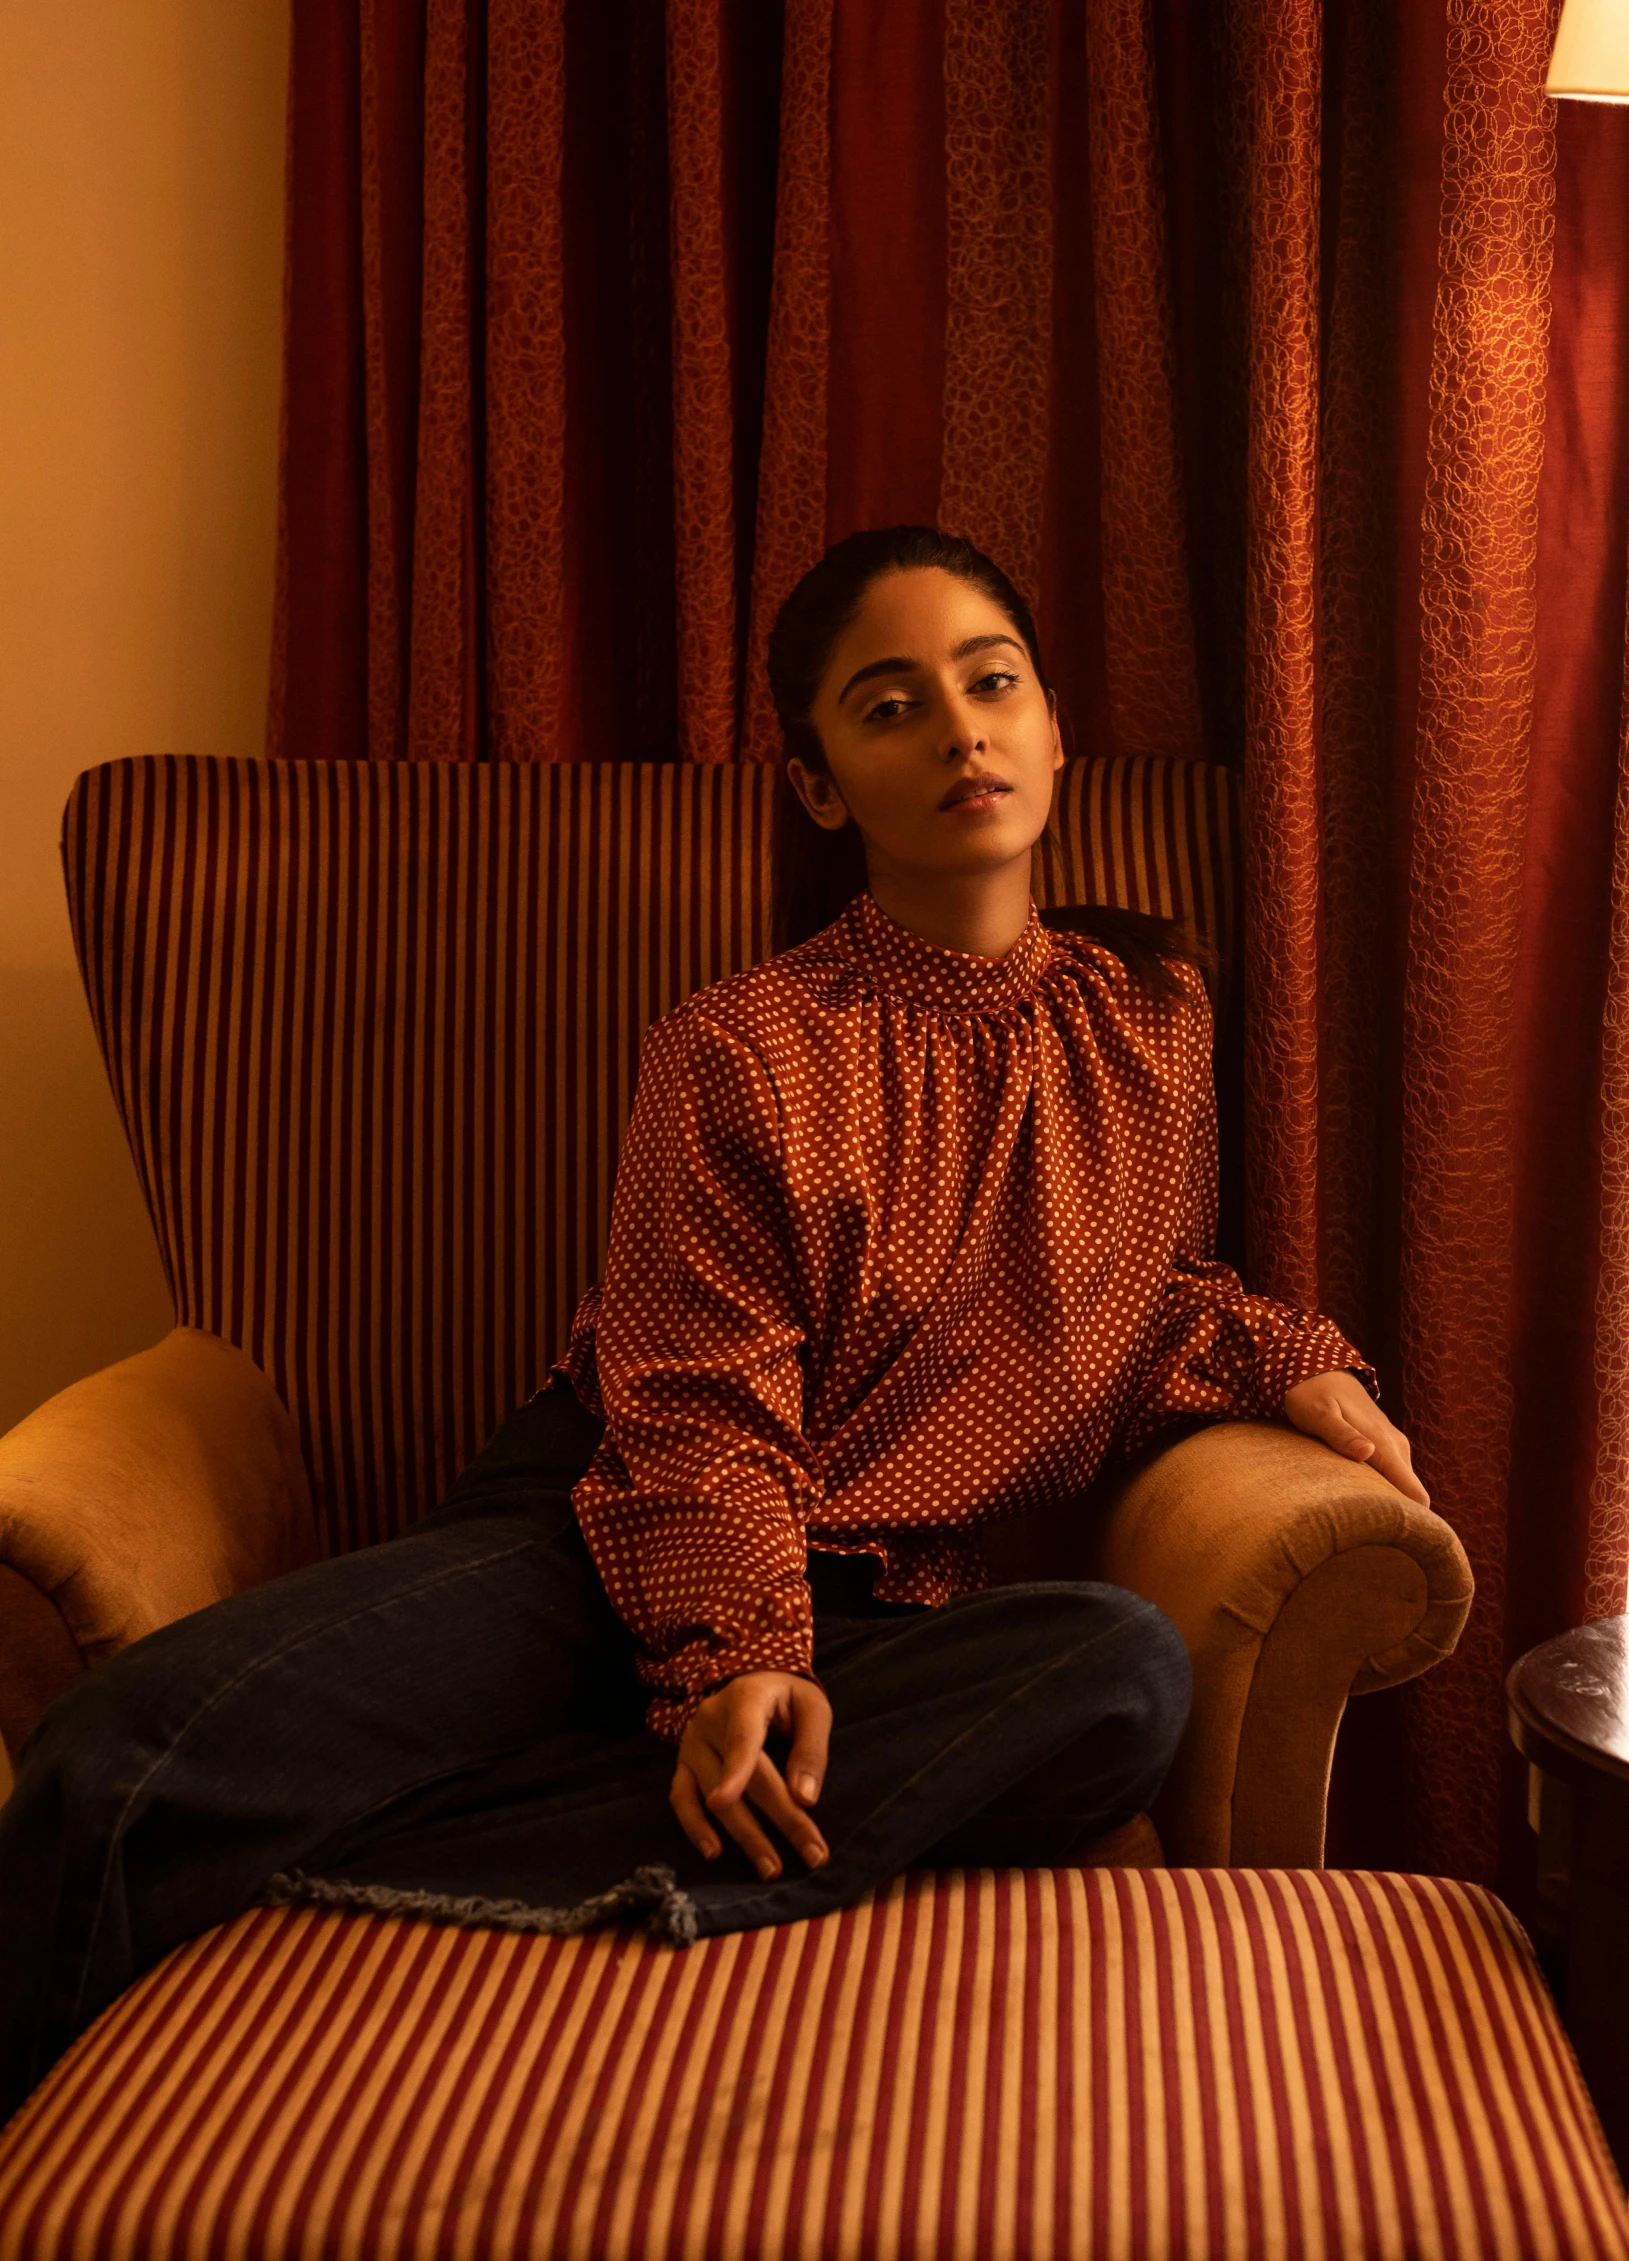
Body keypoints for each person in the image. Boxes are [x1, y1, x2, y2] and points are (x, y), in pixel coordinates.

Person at [0, 526, 1424, 2121]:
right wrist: (734, 1658)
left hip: (877, 1606)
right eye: (890, 706)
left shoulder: (1149, 1020)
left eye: (992, 682)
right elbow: (694, 1408)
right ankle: (640, 1788)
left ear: (1052, 727)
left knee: (1120, 1676)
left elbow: (1122, 1300)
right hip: (604, 1536)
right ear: (821, 785)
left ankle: (396, 1851)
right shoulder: (742, 1048)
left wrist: (1291, 1360)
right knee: (125, 1758)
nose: (960, 728)